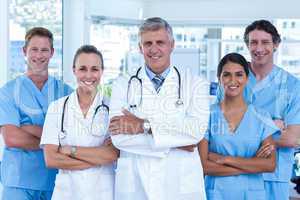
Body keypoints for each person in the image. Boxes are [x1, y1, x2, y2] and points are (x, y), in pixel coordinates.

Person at [109, 17, 210, 200]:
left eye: (160, 42)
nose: (154, 49)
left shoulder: (195, 84)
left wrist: (143, 126)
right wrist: (177, 141)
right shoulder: (122, 85)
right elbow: (118, 138)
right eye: (148, 43)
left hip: (180, 186)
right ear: (140, 48)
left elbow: (196, 132)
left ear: (172, 45)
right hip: (135, 185)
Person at [0, 27, 72, 200]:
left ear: (52, 52)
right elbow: (12, 138)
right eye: (34, 49)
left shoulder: (66, 92)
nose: (39, 55)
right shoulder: (7, 91)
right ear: (25, 51)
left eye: (44, 50)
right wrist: (53, 142)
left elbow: (71, 136)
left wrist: (28, 128)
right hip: (18, 182)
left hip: (55, 181)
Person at [40, 45, 118, 200]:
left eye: (94, 69)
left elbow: (112, 154)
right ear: (74, 70)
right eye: (83, 69)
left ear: (102, 71)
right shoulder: (57, 108)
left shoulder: (113, 109)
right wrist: (98, 157)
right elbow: (51, 159)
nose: (88, 75)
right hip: (67, 193)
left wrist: (70, 150)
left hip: (103, 192)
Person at [199, 53, 278, 200]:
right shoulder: (206, 115)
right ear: (219, 78)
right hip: (216, 193)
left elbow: (270, 164)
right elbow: (203, 166)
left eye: (239, 74)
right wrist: (251, 164)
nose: (233, 80)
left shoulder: (261, 117)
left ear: (247, 79)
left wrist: (227, 159)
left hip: (252, 193)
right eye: (227, 75)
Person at [243, 20, 300, 200]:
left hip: (274, 176)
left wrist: (243, 129)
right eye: (253, 42)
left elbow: (291, 138)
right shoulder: (233, 79)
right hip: (236, 172)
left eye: (265, 42)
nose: (259, 48)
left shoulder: (292, 86)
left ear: (276, 44)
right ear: (247, 45)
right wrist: (271, 126)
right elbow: (222, 130)